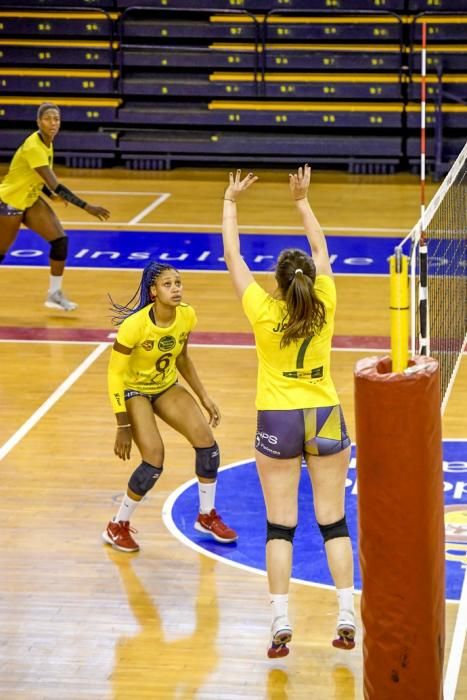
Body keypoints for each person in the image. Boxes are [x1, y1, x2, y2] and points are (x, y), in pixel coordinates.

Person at [221, 165, 355, 658]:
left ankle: (280, 619)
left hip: (277, 418)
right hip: (324, 414)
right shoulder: (325, 299)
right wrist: (302, 202)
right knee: (334, 522)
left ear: (276, 283)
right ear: (310, 279)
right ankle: (345, 613)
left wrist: (231, 202)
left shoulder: (262, 309)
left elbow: (232, 256)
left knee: (281, 527)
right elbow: (321, 252)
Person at [103, 259, 238, 553]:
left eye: (178, 283)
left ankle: (206, 516)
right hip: (134, 390)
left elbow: (182, 357)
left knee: (208, 443)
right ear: (153, 291)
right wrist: (122, 424)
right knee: (154, 459)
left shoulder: (187, 316)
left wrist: (203, 396)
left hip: (165, 386)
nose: (175, 289)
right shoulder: (134, 327)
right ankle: (117, 525)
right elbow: (114, 374)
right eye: (168, 284)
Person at [0, 102, 110, 311]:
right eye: (47, 119)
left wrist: (50, 196)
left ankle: (54, 294)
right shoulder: (34, 146)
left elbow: (37, 178)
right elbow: (56, 184)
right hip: (9, 202)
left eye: (56, 119)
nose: (52, 123)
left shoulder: (47, 142)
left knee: (60, 241)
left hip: (30, 200)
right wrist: (88, 207)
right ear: (38, 122)